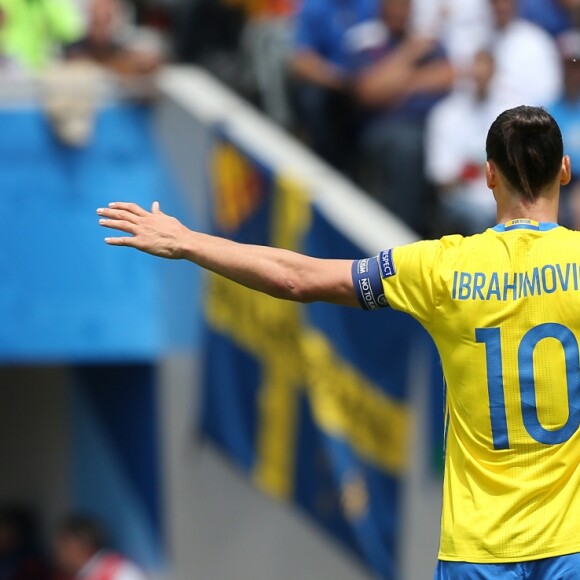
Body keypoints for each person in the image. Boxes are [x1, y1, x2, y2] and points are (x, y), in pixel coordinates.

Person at [98, 105, 580, 577]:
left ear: (490, 175)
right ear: (564, 169)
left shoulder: (442, 267)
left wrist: (189, 241)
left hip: (479, 548)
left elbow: (298, 279)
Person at [425, 50, 502, 235]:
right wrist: (470, 171)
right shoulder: (445, 114)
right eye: (477, 73)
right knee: (479, 220)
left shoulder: (509, 112)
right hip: (460, 202)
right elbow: (441, 181)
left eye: (486, 73)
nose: (480, 79)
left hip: (501, 201)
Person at [54, 515, 146, 580]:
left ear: (78, 544)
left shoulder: (119, 571)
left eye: (63, 545)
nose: (58, 553)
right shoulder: (86, 574)